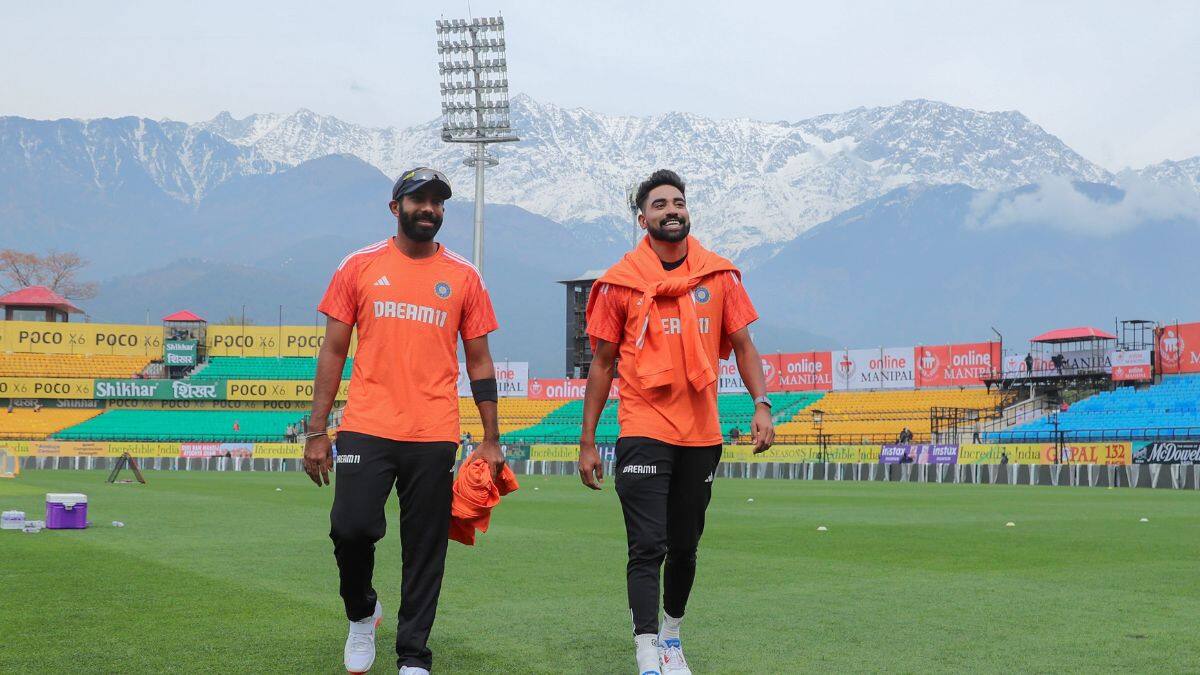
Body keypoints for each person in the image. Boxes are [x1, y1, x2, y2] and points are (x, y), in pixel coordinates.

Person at [303, 167, 503, 675]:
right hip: (366, 425)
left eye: (438, 202)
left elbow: (479, 361)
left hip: (433, 432)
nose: (429, 209)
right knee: (350, 530)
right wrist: (316, 429)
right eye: (419, 200)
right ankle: (362, 613)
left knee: (425, 548)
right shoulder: (359, 266)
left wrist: (491, 438)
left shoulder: (464, 276)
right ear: (396, 208)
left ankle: (413, 655)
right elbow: (333, 349)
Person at [578, 169, 774, 675]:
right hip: (643, 427)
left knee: (685, 547)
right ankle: (645, 646)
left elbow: (746, 346)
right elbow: (601, 365)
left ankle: (671, 635)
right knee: (648, 544)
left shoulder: (720, 277)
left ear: (688, 212)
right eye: (660, 204)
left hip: (701, 434)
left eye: (678, 202)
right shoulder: (619, 282)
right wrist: (587, 441)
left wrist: (761, 403)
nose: (671, 210)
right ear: (642, 218)